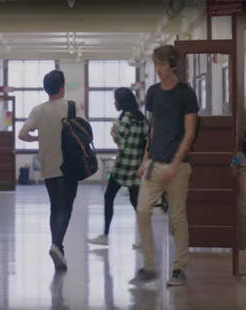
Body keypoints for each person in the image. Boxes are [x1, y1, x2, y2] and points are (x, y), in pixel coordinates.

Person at [131, 45, 198, 286]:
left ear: (172, 65)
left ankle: (179, 268)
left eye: (161, 64)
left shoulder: (186, 94)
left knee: (177, 217)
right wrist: (145, 158)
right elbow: (153, 128)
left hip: (178, 167)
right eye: (155, 64)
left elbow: (189, 134)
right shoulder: (152, 93)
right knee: (141, 211)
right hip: (155, 163)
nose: (157, 69)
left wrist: (175, 165)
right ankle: (150, 266)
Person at [18, 70, 84, 270]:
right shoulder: (72, 107)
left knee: (55, 207)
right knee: (66, 209)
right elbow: (85, 132)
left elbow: (22, 134)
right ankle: (56, 245)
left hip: (48, 167)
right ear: (62, 86)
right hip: (69, 166)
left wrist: (38, 138)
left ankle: (59, 249)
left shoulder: (38, 110)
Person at [88, 87, 148, 246]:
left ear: (122, 101)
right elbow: (146, 140)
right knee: (136, 202)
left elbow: (119, 141)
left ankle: (105, 235)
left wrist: (114, 134)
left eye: (116, 100)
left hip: (123, 166)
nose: (114, 102)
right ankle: (144, 238)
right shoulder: (141, 118)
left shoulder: (126, 118)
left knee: (109, 197)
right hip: (136, 166)